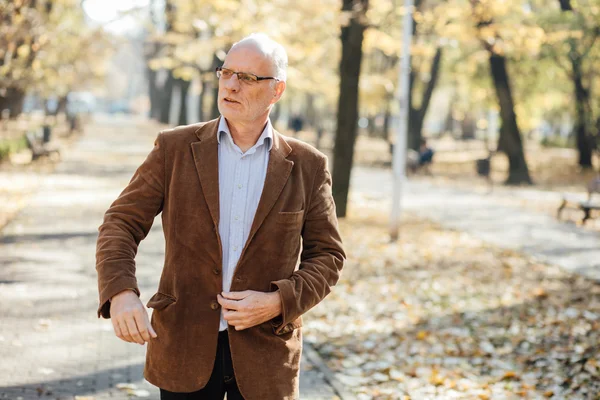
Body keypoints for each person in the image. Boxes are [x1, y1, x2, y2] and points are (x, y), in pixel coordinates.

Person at [95, 33, 345, 400]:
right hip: (183, 347)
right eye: (225, 72)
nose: (230, 85)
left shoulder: (307, 165)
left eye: (246, 78)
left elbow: (328, 256)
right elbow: (120, 223)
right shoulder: (175, 148)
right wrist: (120, 292)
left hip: (267, 354)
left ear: (276, 91)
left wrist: (279, 301)